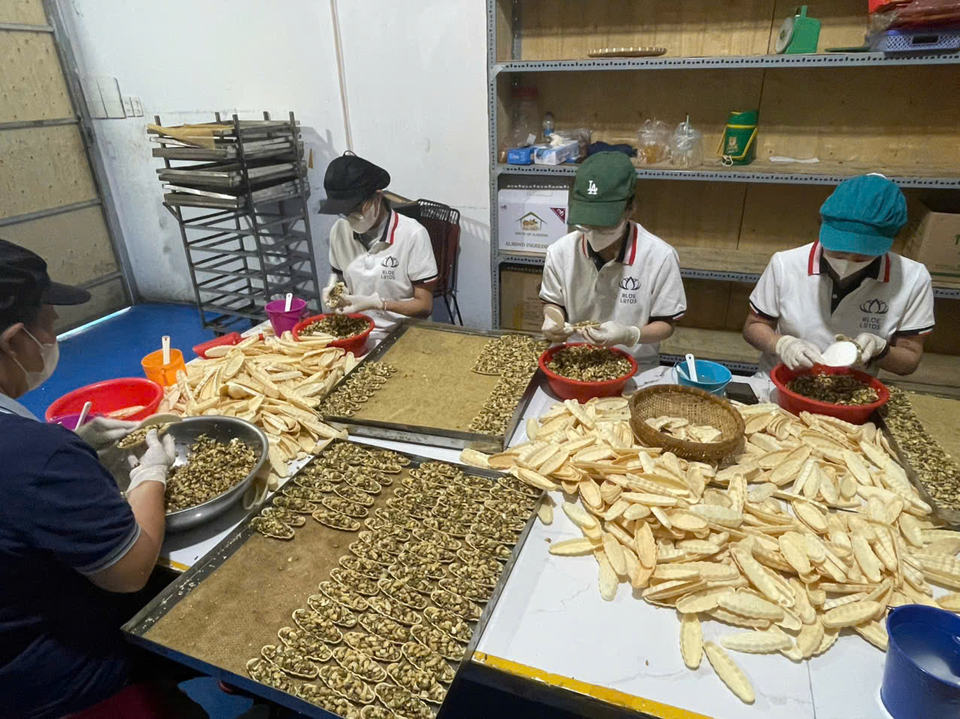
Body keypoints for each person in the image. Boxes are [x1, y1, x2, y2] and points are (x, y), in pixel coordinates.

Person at [0, 240, 196, 718]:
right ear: (15, 341)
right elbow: (129, 571)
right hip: (56, 679)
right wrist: (150, 475)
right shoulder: (34, 455)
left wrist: (75, 450)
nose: (54, 333)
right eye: (48, 321)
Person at [743, 174, 935, 376]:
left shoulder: (913, 279)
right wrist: (781, 344)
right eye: (838, 251)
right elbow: (754, 325)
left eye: (862, 256)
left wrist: (881, 350)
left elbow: (909, 359)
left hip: (853, 386)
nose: (848, 261)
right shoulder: (786, 264)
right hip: (780, 379)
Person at [539, 152, 687, 371]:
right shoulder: (560, 251)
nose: (595, 231)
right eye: (587, 223)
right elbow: (554, 301)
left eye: (605, 223)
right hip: (574, 358)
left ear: (630, 208)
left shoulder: (659, 256)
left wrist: (629, 334)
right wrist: (553, 318)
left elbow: (666, 324)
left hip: (636, 362)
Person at [318, 152, 438, 342]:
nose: (351, 216)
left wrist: (379, 304)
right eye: (345, 211)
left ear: (378, 197)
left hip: (404, 334)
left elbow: (424, 306)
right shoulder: (339, 231)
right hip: (359, 330)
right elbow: (339, 277)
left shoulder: (412, 234)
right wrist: (333, 289)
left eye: (357, 208)